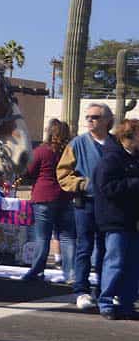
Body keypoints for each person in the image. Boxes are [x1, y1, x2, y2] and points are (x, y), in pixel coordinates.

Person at [57, 103, 115, 311]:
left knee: (107, 249)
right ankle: (81, 290)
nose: (90, 120)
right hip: (85, 203)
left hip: (111, 205)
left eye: (95, 117)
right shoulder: (77, 143)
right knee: (84, 247)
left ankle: (104, 289)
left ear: (107, 120)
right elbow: (63, 174)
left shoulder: (115, 144)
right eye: (88, 117)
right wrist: (83, 184)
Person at [91, 119, 139, 319]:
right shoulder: (112, 158)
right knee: (115, 261)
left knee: (133, 265)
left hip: (133, 220)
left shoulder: (134, 158)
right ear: (130, 136)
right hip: (116, 219)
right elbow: (106, 188)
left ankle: (127, 303)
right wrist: (134, 183)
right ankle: (106, 302)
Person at [21, 119, 76, 282]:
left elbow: (29, 171)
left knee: (42, 237)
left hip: (43, 197)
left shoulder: (41, 151)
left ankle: (37, 271)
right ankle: (71, 274)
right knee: (67, 237)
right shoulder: (70, 151)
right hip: (65, 196)